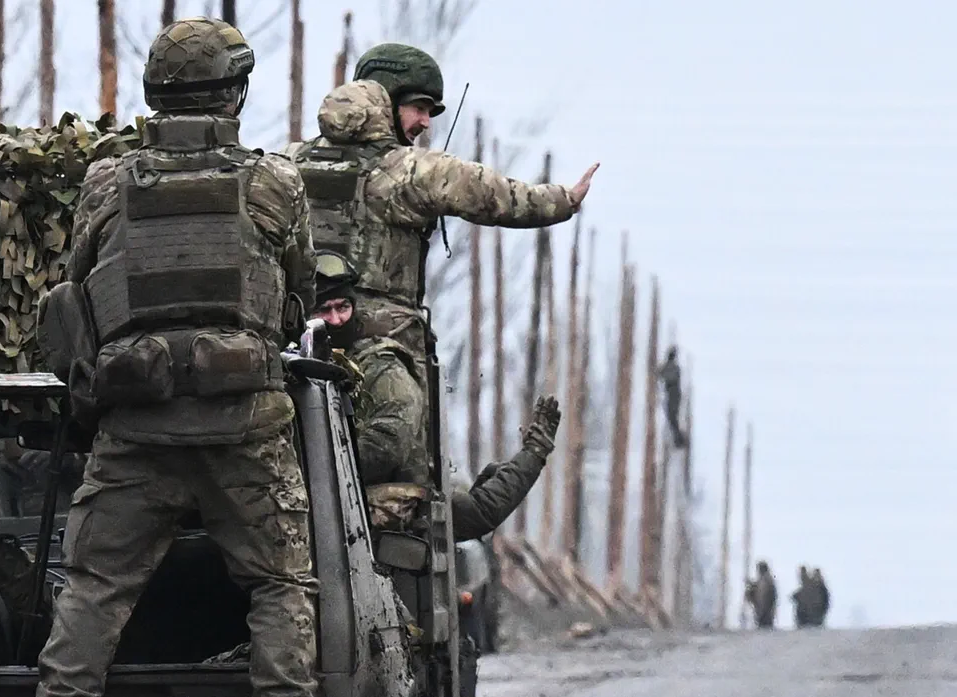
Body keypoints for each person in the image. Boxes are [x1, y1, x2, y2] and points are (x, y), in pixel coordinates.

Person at [0, 17, 335, 697]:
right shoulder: (276, 182)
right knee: (279, 586)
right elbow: (294, 303)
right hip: (246, 426)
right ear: (234, 92)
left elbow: (78, 287)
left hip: (135, 425)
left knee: (95, 588)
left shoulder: (107, 182)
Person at [283, 44, 597, 367]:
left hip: (298, 341)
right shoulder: (406, 172)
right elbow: (491, 195)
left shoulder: (290, 159)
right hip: (382, 351)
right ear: (386, 102)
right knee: (397, 412)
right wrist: (564, 200)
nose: (425, 123)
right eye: (418, 107)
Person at [310, 251, 559, 541]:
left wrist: (319, 471)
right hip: (325, 507)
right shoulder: (295, 360)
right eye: (324, 311)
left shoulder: (380, 366)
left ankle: (535, 452)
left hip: (380, 520)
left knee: (476, 514)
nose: (337, 319)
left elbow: (390, 442)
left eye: (343, 307)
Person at [658, 346, 687, 449]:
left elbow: (663, 375)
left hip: (674, 395)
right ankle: (678, 440)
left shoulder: (673, 367)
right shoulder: (672, 367)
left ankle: (680, 441)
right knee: (672, 418)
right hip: (673, 395)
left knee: (672, 418)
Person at [746, 560, 777, 629]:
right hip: (761, 611)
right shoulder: (763, 581)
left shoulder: (767, 581)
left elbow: (769, 597)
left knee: (765, 628)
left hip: (766, 612)